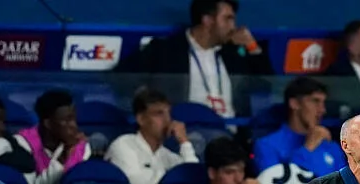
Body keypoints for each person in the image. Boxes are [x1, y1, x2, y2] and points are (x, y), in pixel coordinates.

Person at [115, 0, 273, 117]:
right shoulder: (164, 50)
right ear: (207, 20)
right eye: (228, 19)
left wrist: (252, 46)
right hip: (183, 133)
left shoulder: (234, 54)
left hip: (230, 136)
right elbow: (121, 79)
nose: (234, 26)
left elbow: (267, 84)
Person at [104, 88, 199, 184]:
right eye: (159, 114)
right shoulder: (123, 145)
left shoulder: (168, 156)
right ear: (141, 119)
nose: (167, 120)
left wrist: (184, 143)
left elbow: (194, 183)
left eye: (168, 113)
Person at [15, 89, 91, 184]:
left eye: (74, 119)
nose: (74, 126)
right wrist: (63, 157)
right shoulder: (22, 144)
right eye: (66, 120)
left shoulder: (81, 147)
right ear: (48, 124)